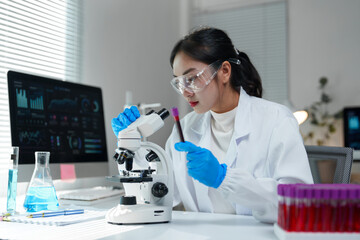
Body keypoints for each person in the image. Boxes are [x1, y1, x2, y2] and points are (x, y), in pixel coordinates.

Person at [111, 27, 313, 223]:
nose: (185, 92)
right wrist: (130, 147)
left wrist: (224, 178)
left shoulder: (276, 120)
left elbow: (299, 204)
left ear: (224, 71)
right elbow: (162, 195)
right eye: (179, 83)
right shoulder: (186, 127)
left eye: (192, 79)